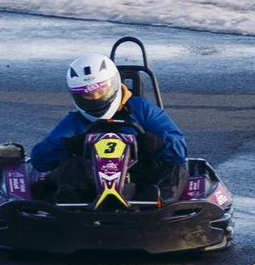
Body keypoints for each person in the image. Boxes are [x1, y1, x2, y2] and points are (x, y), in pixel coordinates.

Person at [31, 50, 187, 201]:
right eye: (87, 95)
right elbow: (39, 159)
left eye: (100, 92)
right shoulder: (75, 121)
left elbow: (180, 148)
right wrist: (69, 145)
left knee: (177, 165)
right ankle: (75, 204)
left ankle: (155, 204)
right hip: (92, 186)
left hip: (140, 178)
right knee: (69, 163)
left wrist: (156, 143)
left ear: (114, 84)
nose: (95, 98)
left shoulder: (143, 109)